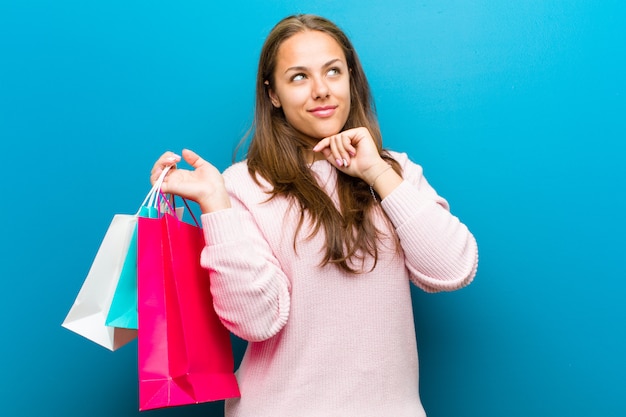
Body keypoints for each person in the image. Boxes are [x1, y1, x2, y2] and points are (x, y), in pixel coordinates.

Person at [150, 14, 478, 417]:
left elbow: (452, 269)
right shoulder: (242, 186)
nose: (321, 91)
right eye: (299, 77)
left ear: (351, 80)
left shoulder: (396, 170)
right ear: (273, 94)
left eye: (333, 72)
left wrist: (377, 173)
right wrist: (217, 206)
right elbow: (257, 322)